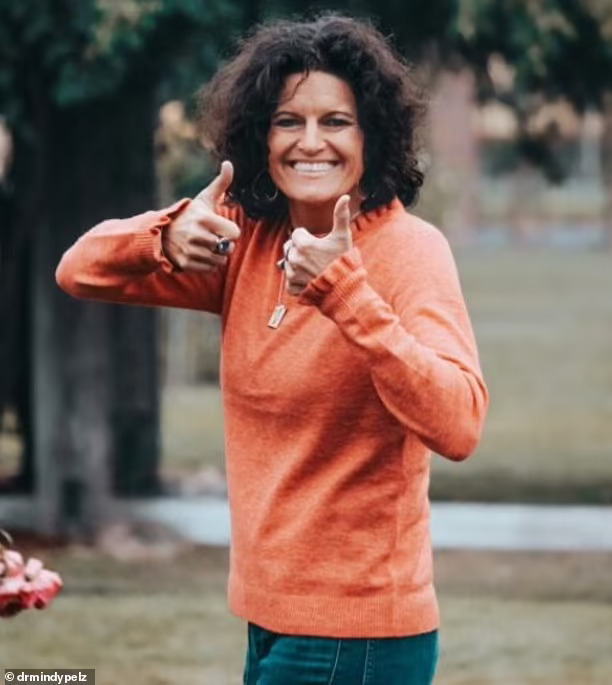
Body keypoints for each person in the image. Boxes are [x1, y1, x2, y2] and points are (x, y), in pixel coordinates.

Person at [56, 13, 488, 684]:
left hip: (358, 632)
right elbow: (78, 270)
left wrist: (346, 293)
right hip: (269, 619)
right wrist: (164, 235)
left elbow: (458, 422)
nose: (310, 142)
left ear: (373, 134)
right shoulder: (246, 240)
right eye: (289, 121)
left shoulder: (408, 251)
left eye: (336, 121)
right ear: (262, 135)